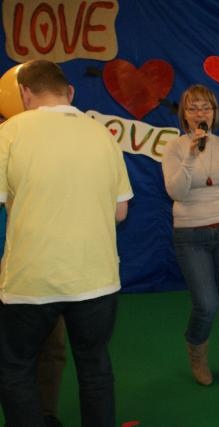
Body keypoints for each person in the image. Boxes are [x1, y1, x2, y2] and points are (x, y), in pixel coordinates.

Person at [0, 59, 133, 427]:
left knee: (16, 366)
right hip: (95, 277)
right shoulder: (103, 135)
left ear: (24, 92)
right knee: (94, 367)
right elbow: (121, 211)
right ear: (69, 92)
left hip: (31, 280)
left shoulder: (9, 132)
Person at [162, 84, 219, 389]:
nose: (200, 113)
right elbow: (175, 192)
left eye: (206, 108)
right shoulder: (174, 148)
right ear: (184, 115)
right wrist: (190, 156)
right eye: (193, 108)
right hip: (190, 234)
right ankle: (197, 356)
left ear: (214, 113)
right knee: (207, 304)